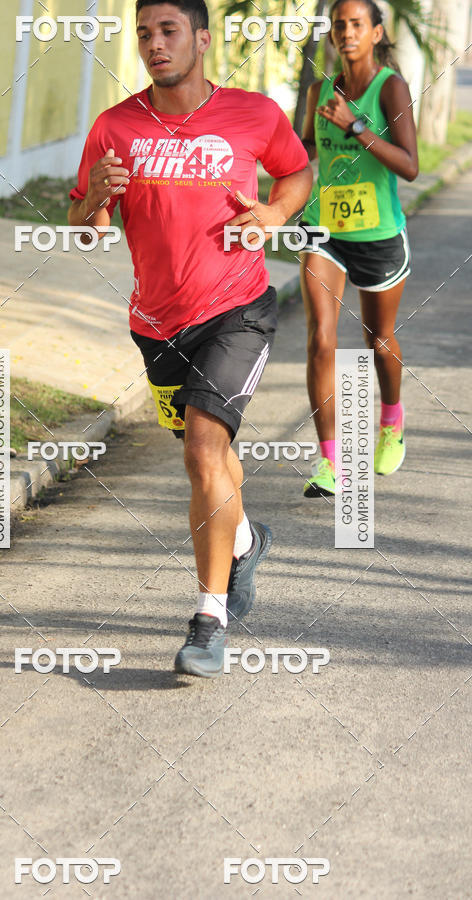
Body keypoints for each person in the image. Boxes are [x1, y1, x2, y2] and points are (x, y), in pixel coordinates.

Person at [68, 0, 312, 677]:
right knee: (211, 460)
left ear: (201, 39)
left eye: (168, 31)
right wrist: (92, 199)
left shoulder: (254, 113)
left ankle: (209, 618)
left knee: (205, 446)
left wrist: (274, 212)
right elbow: (82, 223)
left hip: (238, 308)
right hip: (156, 323)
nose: (154, 44)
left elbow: (297, 172)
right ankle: (244, 539)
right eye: (144, 33)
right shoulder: (114, 126)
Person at [299, 0, 418, 497]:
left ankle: (391, 419)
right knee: (321, 339)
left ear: (375, 32)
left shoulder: (391, 88)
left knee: (378, 341)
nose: (345, 33)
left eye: (355, 25)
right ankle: (331, 464)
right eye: (338, 25)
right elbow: (305, 150)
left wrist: (357, 127)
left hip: (376, 236)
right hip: (322, 229)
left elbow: (410, 165)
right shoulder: (317, 91)